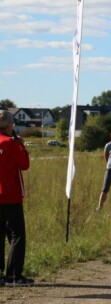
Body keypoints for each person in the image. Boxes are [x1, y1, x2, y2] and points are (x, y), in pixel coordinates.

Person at [0, 109, 33, 286]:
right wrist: (21, 145)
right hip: (10, 196)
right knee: (16, 236)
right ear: (8, 125)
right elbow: (25, 165)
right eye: (12, 123)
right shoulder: (11, 144)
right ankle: (13, 275)